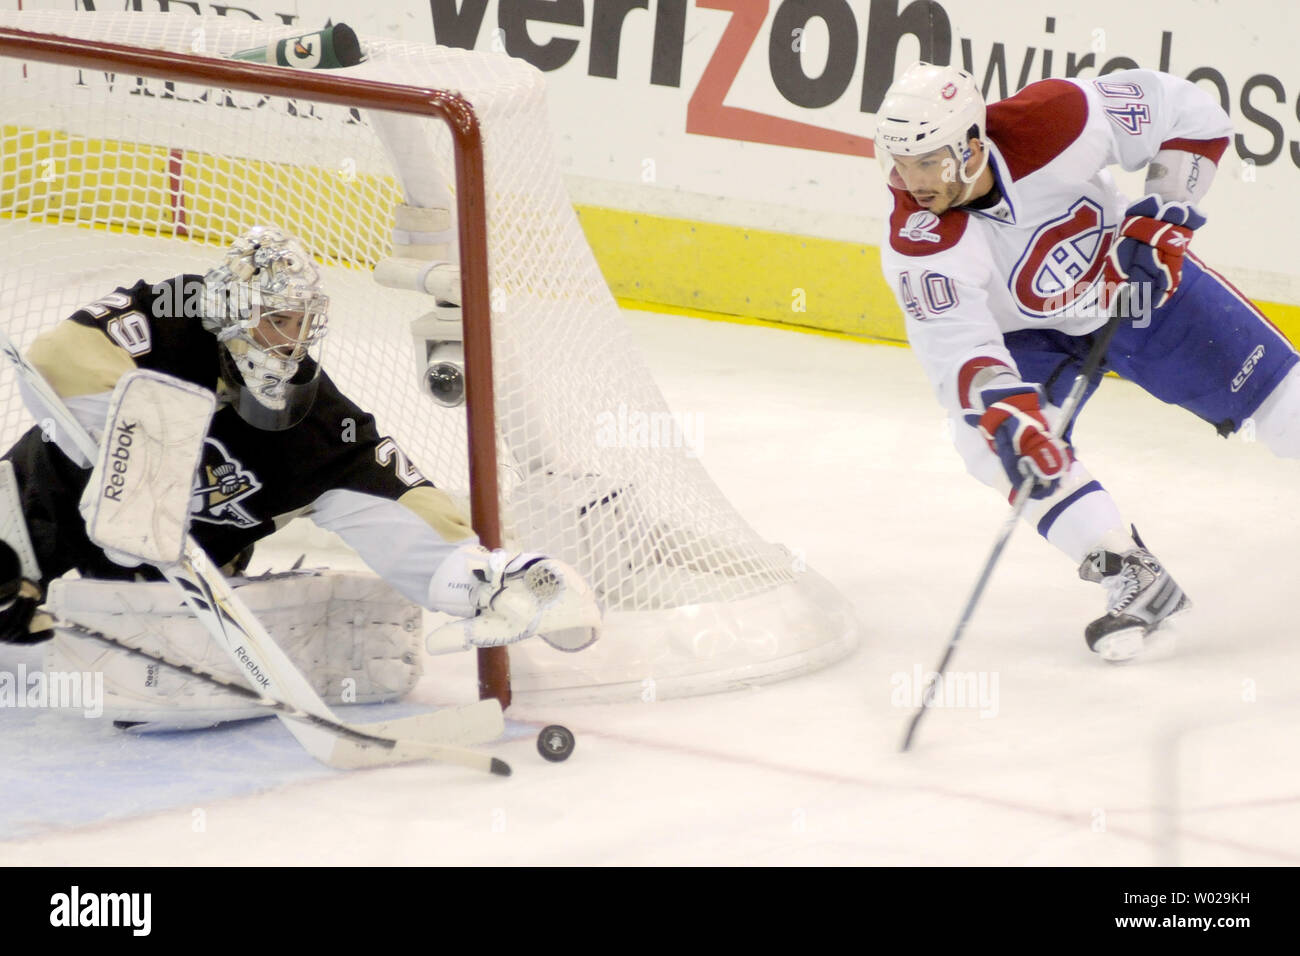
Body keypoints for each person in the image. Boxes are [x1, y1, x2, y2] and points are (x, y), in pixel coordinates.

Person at [0, 226, 597, 724]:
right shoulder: (172, 316)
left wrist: (487, 581)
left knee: (142, 698)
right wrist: (140, 465)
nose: (292, 340)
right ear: (228, 314)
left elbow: (399, 508)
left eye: (300, 323)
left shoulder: (319, 425)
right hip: (44, 502)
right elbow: (56, 362)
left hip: (175, 570)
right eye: (275, 321)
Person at [874, 62, 1299, 661]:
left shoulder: (1054, 119)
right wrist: (1010, 416)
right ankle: (1130, 572)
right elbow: (960, 349)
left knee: (1289, 409)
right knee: (989, 443)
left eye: (928, 161)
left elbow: (1193, 114)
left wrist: (1163, 215)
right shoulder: (920, 240)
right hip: (1031, 339)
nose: (913, 180)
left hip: (1134, 286)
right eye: (900, 161)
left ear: (973, 144)